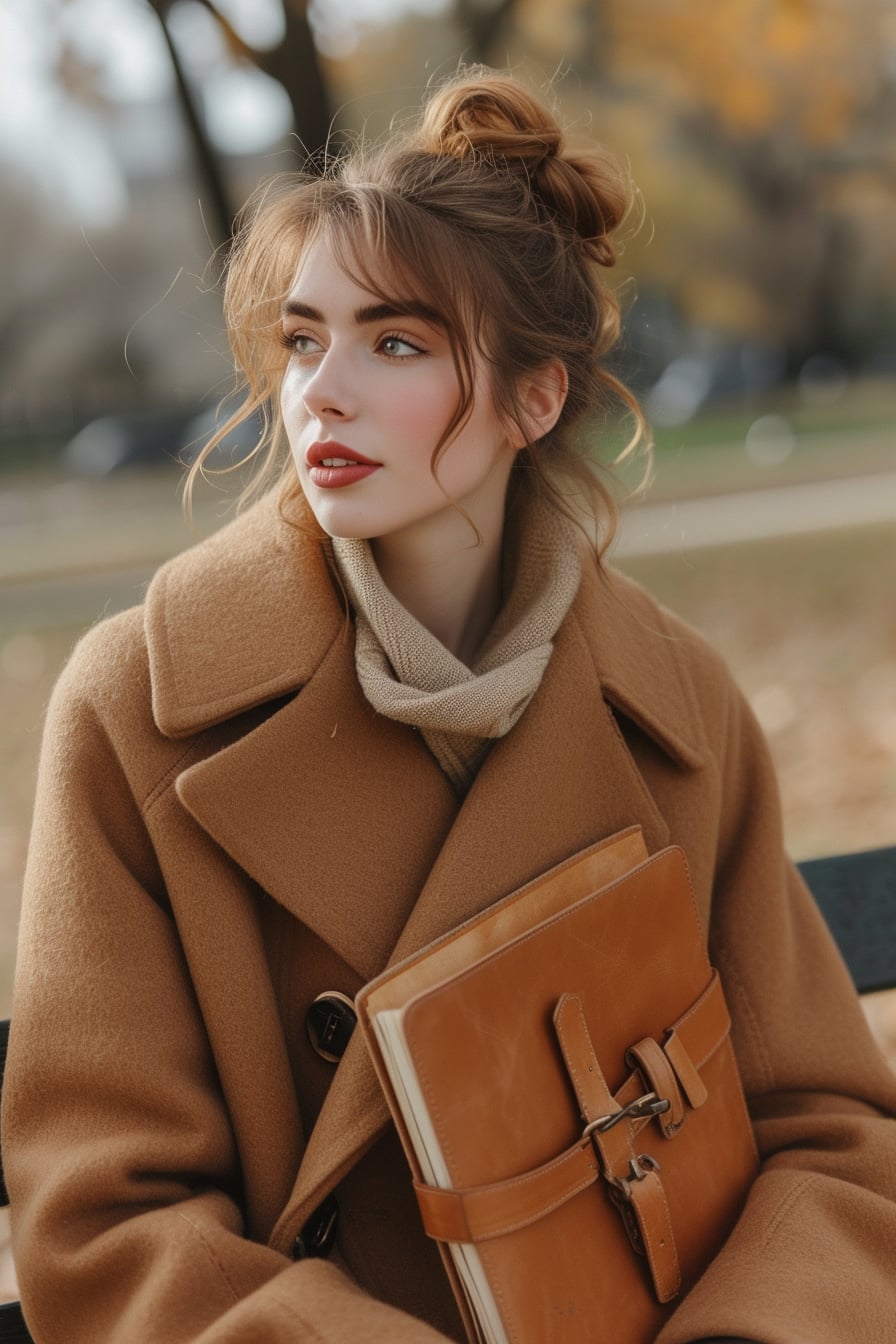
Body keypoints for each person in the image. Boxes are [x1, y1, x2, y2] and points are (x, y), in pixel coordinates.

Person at [4, 68, 896, 1344]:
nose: (322, 389)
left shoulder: (674, 708)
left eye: (398, 343)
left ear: (536, 400)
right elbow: (103, 1215)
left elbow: (834, 1140)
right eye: (304, 339)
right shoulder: (141, 709)